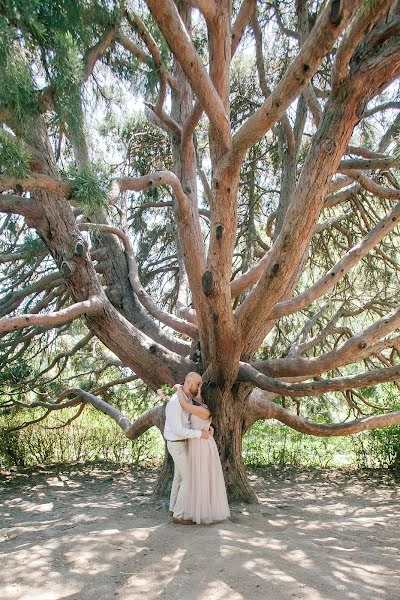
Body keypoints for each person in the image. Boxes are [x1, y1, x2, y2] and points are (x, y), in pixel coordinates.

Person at [174, 381, 230, 525]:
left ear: (206, 395)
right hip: (201, 442)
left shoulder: (203, 410)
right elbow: (195, 401)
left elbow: (185, 405)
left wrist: (178, 388)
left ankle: (200, 511)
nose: (198, 389)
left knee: (200, 477)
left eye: (200, 388)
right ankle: (196, 509)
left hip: (201, 445)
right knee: (199, 477)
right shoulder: (205, 407)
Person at [164, 372, 212, 525]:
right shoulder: (174, 403)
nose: (199, 387)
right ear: (189, 382)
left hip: (185, 443)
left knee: (179, 477)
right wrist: (200, 434)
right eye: (198, 384)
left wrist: (208, 429)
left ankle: (173, 508)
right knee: (189, 477)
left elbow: (199, 407)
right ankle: (179, 515)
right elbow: (178, 430)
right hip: (176, 444)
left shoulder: (188, 398)